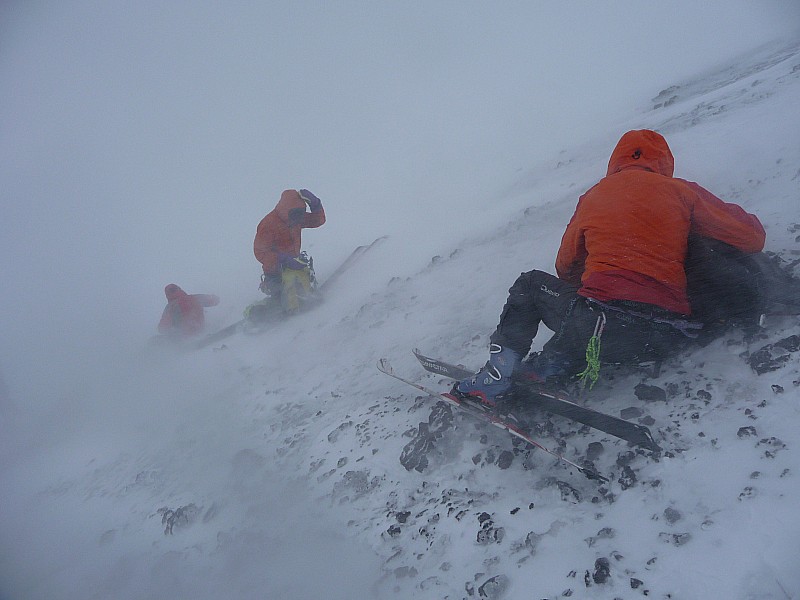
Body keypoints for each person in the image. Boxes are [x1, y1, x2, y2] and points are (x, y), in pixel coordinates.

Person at [455, 129, 766, 405]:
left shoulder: (595, 195)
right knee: (602, 317)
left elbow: (565, 266)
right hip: (666, 335)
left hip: (600, 328)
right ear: (664, 162)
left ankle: (499, 376)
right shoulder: (683, 191)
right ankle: (554, 364)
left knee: (532, 284)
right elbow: (751, 238)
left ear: (616, 161)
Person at [253, 189, 325, 311]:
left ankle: (303, 298)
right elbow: (260, 252)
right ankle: (259, 311)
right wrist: (283, 259)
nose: (299, 218)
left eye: (302, 213)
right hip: (275, 271)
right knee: (280, 303)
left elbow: (318, 220)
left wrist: (316, 204)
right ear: (287, 210)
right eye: (297, 214)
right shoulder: (268, 224)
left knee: (302, 283)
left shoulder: (296, 217)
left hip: (295, 264)